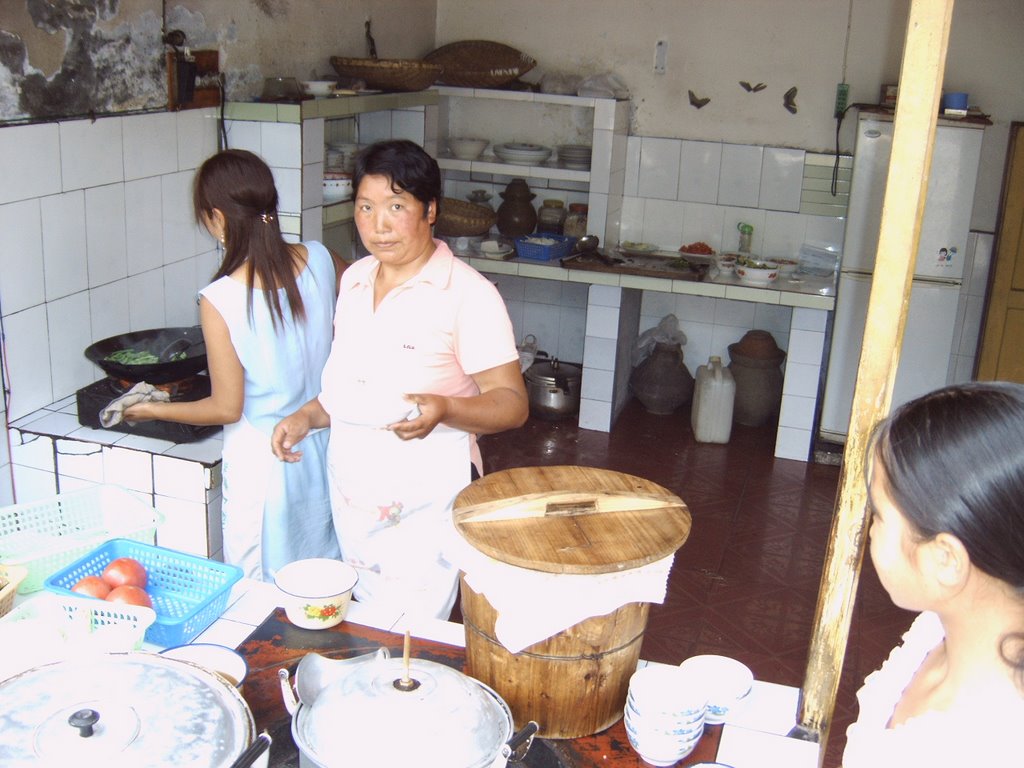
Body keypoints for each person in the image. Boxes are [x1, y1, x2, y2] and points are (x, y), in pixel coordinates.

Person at [271, 139, 528, 619]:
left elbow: (512, 404)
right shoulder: (355, 280)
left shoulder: (468, 294)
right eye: (366, 208)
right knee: (365, 617)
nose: (378, 225)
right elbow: (355, 385)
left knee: (413, 631)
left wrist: (447, 408)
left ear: (430, 210)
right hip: (354, 491)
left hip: (425, 496)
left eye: (396, 206)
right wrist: (308, 415)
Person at [124, 149, 343, 581]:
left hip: (266, 463)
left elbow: (226, 408)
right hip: (325, 444)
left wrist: (151, 408)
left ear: (217, 218)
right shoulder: (320, 258)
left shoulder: (220, 299)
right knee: (324, 573)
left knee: (264, 590)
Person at [843, 382, 1024, 766]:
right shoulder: (939, 629)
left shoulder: (978, 748)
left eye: (879, 514)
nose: (871, 528)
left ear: (945, 560)